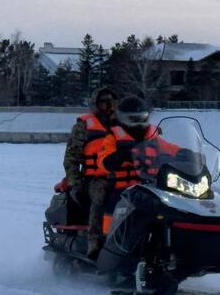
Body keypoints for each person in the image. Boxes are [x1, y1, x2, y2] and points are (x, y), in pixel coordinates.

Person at [98, 96, 181, 229]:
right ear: (123, 118)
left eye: (141, 117)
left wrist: (185, 153)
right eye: (133, 118)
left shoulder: (152, 136)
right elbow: (103, 162)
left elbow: (169, 148)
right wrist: (118, 156)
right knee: (114, 204)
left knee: (172, 205)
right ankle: (109, 236)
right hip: (125, 187)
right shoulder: (113, 136)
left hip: (152, 185)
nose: (138, 122)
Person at [62, 87, 118, 259]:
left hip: (123, 175)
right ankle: (94, 243)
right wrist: (75, 183)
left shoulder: (122, 124)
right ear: (96, 104)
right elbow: (71, 156)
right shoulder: (84, 125)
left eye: (111, 102)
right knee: (101, 198)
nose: (108, 107)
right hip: (95, 178)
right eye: (104, 103)